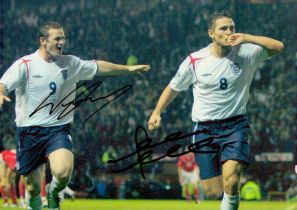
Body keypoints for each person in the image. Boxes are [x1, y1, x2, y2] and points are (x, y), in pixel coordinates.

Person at [0, 22, 150, 210]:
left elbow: (98, 67)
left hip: (58, 130)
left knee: (62, 173)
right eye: (57, 38)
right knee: (32, 188)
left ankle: (54, 193)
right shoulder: (25, 65)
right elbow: (4, 83)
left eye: (63, 38)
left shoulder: (70, 63)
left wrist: (126, 69)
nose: (62, 42)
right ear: (43, 41)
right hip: (29, 131)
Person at [148, 11, 283, 210]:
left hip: (235, 125)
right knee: (213, 191)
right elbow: (173, 87)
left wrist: (247, 38)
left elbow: (279, 47)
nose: (229, 32)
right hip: (203, 130)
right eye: (223, 28)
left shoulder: (246, 52)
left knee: (232, 180)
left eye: (232, 28)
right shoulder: (195, 61)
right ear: (211, 33)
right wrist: (156, 112)